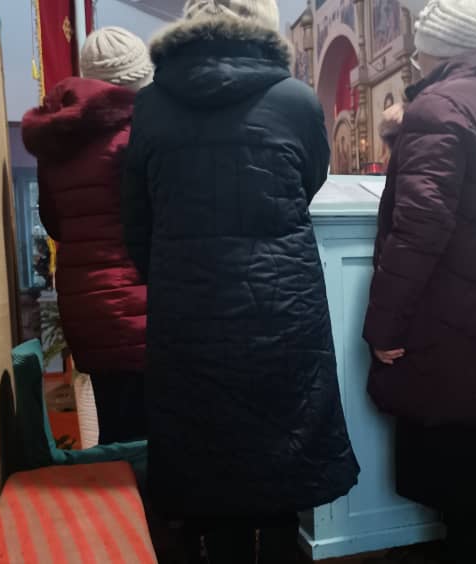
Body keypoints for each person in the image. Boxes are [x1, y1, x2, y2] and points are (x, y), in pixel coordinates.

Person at [122, 0, 360, 561]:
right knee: (282, 446)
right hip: (282, 303)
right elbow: (310, 180)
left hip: (188, 313)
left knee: (206, 451)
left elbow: (137, 217)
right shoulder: (297, 100)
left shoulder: (151, 104)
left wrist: (174, 279)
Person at [362, 0, 476, 561]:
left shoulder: (436, 108)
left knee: (464, 488)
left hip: (452, 317)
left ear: (437, 49)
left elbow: (419, 229)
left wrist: (384, 325)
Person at [21, 27, 154, 444]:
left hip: (85, 305)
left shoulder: (58, 139)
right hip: (141, 303)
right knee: (156, 439)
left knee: (116, 430)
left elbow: (55, 223)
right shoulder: (138, 134)